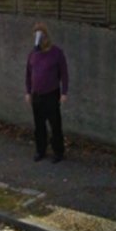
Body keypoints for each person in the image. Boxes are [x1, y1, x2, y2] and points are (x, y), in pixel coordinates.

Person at [25, 23, 69, 163]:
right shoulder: (33, 54)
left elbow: (64, 73)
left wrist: (64, 92)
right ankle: (40, 150)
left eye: (41, 35)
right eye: (36, 35)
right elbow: (28, 73)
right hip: (37, 95)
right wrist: (28, 92)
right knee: (39, 125)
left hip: (51, 94)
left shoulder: (56, 53)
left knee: (55, 124)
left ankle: (58, 151)